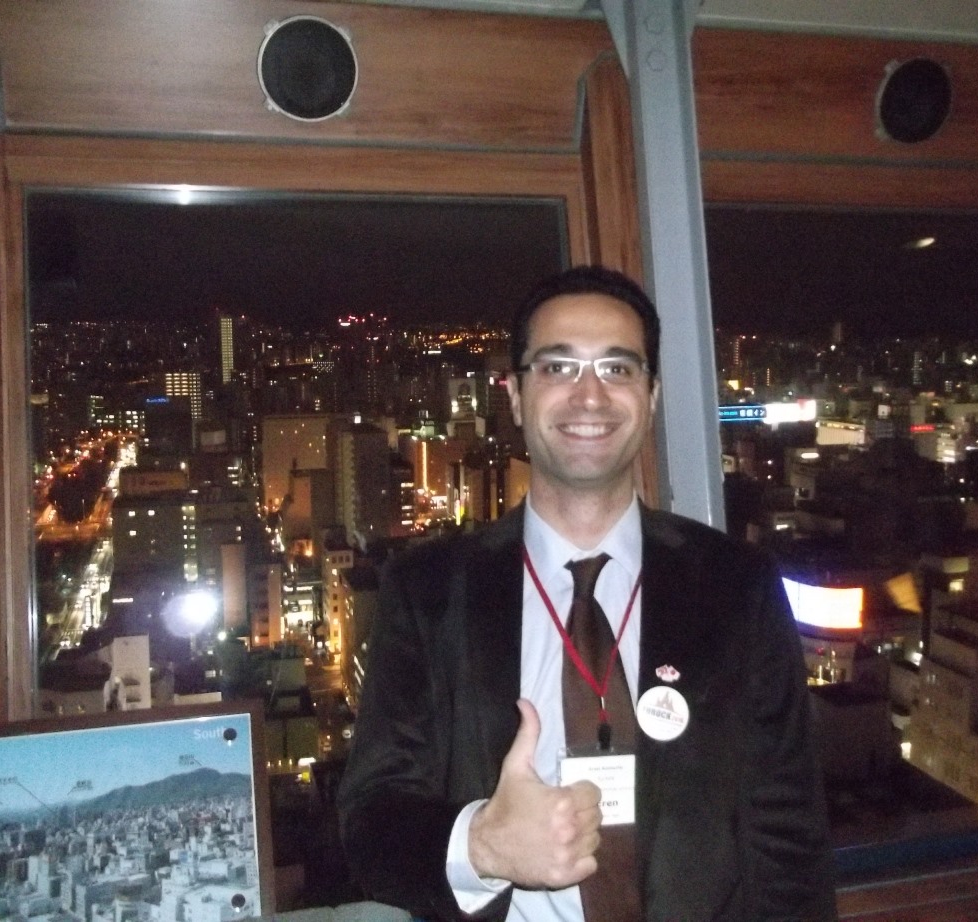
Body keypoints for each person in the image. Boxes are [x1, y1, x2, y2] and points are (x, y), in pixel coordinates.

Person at [337, 265, 837, 921]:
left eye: (617, 368)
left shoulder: (736, 587)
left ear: (651, 396)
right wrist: (481, 844)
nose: (590, 395)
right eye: (558, 368)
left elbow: (788, 837)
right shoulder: (429, 591)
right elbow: (370, 822)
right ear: (516, 395)